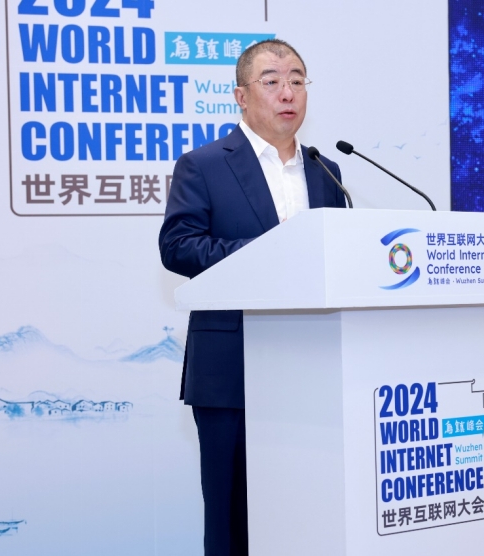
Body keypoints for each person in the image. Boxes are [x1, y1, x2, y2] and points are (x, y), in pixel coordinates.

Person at [158, 39, 346, 556]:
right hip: (231, 370)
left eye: (297, 80)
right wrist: (266, 253)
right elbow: (178, 246)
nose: (288, 92)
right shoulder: (203, 165)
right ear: (241, 96)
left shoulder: (326, 171)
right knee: (232, 517)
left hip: (313, 370)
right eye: (272, 81)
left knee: (308, 507)